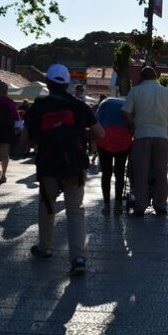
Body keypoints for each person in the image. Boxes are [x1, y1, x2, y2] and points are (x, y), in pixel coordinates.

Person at [23, 64, 105, 276]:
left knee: (47, 206)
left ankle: (45, 247)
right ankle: (78, 258)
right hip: (74, 165)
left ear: (48, 83)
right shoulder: (78, 106)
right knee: (75, 210)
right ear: (67, 84)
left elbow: (27, 140)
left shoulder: (39, 107)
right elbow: (100, 134)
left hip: (48, 165)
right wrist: (83, 134)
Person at [122, 67, 168, 217]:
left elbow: (126, 111)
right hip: (161, 136)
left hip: (142, 135)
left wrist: (132, 124)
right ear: (156, 77)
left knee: (141, 172)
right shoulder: (166, 91)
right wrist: (167, 126)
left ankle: (141, 205)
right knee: (161, 173)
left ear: (141, 78)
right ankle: (160, 205)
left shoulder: (135, 91)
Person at [96, 97, 133, 216]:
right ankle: (118, 205)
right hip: (123, 138)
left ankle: (106, 206)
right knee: (120, 172)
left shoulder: (104, 103)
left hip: (105, 136)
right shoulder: (127, 104)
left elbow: (96, 122)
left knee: (106, 173)